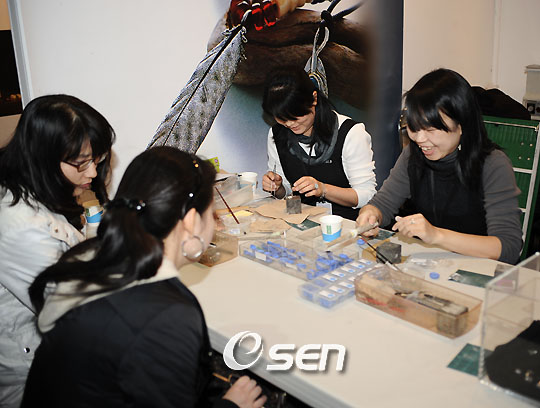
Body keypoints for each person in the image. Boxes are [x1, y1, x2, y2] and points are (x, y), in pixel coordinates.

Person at [22, 147, 266, 408]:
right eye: (212, 213)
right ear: (192, 222)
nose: (215, 223)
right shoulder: (167, 316)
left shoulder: (88, 260)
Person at [0, 94, 114, 407]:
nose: (92, 174)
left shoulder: (34, 192)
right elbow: (74, 310)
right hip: (32, 377)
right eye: (81, 163)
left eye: (97, 160)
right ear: (44, 157)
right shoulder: (20, 227)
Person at [357, 68, 523, 264]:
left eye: (430, 129)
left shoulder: (493, 164)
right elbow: (383, 204)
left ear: (462, 125)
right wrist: (371, 213)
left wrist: (436, 235)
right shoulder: (413, 155)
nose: (419, 139)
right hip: (432, 264)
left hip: (478, 268)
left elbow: (508, 247)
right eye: (413, 127)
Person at [261, 66, 376, 220]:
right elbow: (287, 192)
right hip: (301, 223)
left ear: (314, 99)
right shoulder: (277, 134)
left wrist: (323, 189)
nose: (289, 124)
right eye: (281, 118)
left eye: (295, 116)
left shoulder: (351, 133)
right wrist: (278, 187)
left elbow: (366, 195)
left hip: (345, 224)